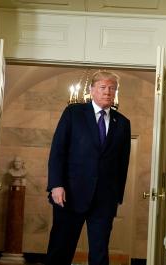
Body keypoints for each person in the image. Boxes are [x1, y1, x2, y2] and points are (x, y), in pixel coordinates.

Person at [45, 71, 131, 265]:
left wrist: (117, 196)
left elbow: (122, 163)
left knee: (100, 254)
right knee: (60, 249)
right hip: (69, 196)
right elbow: (57, 151)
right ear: (92, 90)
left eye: (112, 88)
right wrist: (56, 185)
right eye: (102, 87)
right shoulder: (73, 113)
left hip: (104, 200)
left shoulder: (123, 123)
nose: (107, 92)